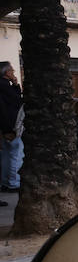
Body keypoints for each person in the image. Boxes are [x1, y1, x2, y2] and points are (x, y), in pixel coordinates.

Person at [0, 62, 22, 194]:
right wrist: (16, 85)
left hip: (5, 126)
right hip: (10, 125)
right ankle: (13, 183)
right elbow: (17, 100)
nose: (14, 73)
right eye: (12, 71)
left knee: (6, 155)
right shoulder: (5, 86)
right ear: (6, 72)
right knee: (15, 154)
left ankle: (4, 182)